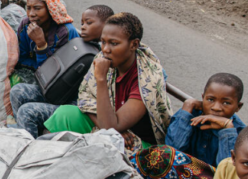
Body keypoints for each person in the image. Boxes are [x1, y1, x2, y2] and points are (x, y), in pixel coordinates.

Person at [43, 12, 172, 154]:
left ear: (134, 44)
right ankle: (43, 156)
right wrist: (114, 129)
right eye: (103, 42)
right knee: (64, 114)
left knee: (110, 144)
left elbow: (111, 128)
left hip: (139, 144)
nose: (105, 49)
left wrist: (101, 79)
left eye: (114, 43)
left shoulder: (147, 79)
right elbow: (85, 98)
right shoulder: (103, 58)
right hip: (109, 124)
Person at [10, 5, 114, 138]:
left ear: (107, 25)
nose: (82, 27)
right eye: (82, 23)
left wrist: (42, 46)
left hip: (79, 105)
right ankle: (25, 131)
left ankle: (29, 147)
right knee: (18, 91)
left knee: (27, 111)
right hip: (63, 92)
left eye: (89, 23)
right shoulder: (79, 43)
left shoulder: (106, 55)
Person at [166, 73, 246, 167]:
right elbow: (171, 150)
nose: (216, 108)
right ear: (203, 98)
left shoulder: (240, 133)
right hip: (181, 172)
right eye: (210, 100)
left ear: (238, 106)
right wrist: (187, 107)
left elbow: (227, 171)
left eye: (226, 103)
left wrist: (227, 129)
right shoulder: (190, 114)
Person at [15, 0, 80, 71]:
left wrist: (41, 44)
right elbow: (20, 58)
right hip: (33, 71)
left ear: (50, 9)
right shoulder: (26, 25)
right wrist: (37, 67)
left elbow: (55, 70)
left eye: (37, 8)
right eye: (29, 8)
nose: (31, 14)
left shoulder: (65, 32)